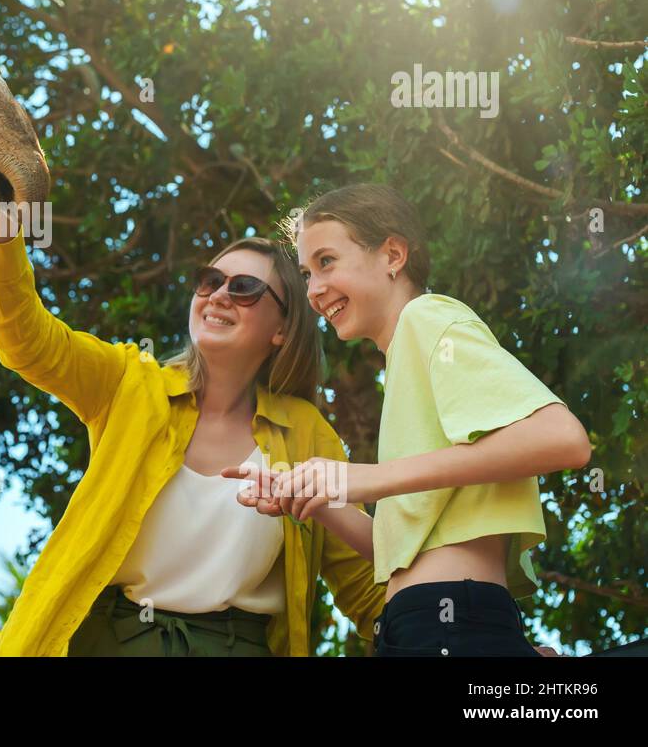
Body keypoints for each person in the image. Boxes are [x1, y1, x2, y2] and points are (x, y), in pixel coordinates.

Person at [0, 208, 386, 656]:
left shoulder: (308, 433)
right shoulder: (128, 383)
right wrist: (0, 239)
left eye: (245, 288)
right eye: (210, 281)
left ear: (282, 329)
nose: (219, 296)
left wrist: (446, 628)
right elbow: (26, 340)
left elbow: (363, 586)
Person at [233, 183, 589, 656]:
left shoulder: (427, 319)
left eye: (326, 261)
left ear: (393, 255)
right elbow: (398, 556)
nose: (314, 290)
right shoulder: (403, 361)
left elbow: (563, 438)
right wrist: (317, 497)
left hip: (447, 621)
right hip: (417, 623)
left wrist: (370, 479)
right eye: (305, 272)